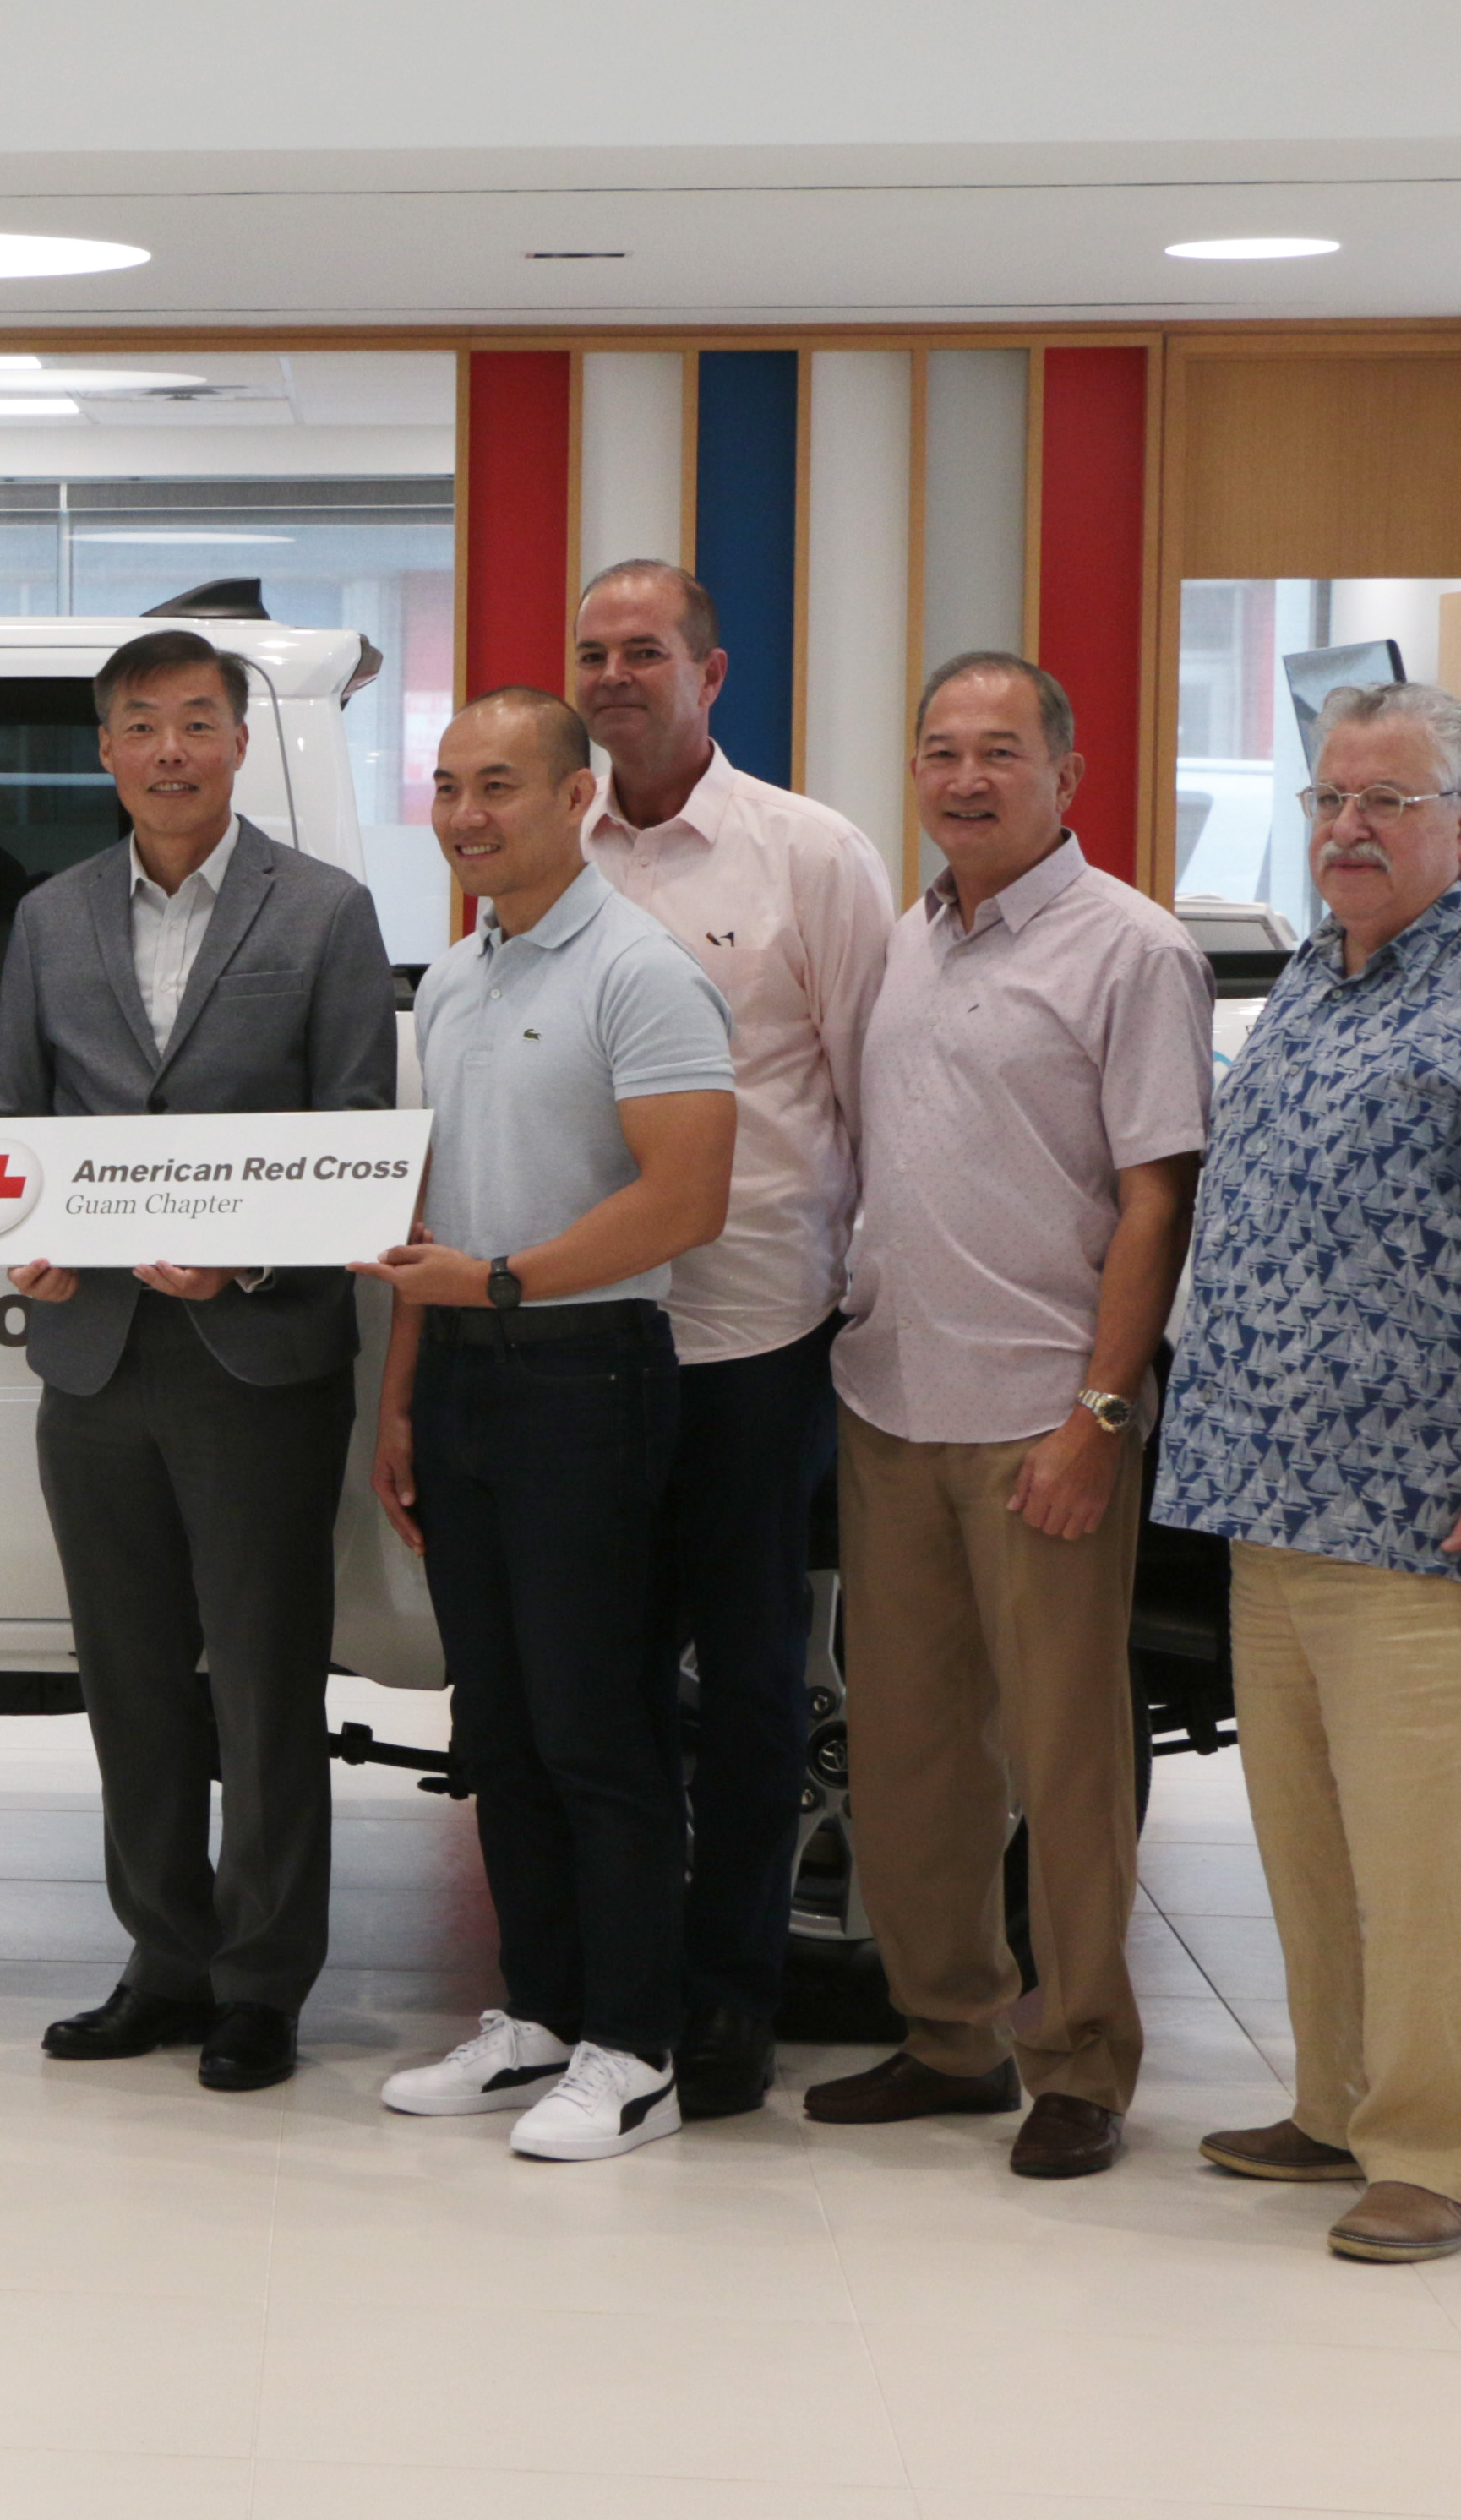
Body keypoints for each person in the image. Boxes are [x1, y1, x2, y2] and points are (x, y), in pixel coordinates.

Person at [1152, 682, 1461, 2263]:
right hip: (1282, 1503)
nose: (1348, 829)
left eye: (1388, 801)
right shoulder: (1318, 974)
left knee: (1455, 1851)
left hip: (1454, 1521)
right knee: (1313, 1840)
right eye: (1327, 800)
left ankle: (1443, 2151)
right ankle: (1340, 2101)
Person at [0, 627, 401, 2096]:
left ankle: (261, 1981)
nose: (169, 750)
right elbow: (10, 1122)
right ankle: (162, 1956)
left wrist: (250, 1257)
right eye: (141, 725)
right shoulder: (50, 918)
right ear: (104, 751)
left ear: (238, 742)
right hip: (91, 1352)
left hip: (253, 1353)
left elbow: (351, 1137)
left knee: (265, 1683)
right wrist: (22, 1239)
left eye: (196, 723)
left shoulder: (326, 913)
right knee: (131, 1679)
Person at [805, 656, 1207, 2177]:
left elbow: (1156, 1195)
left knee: (1066, 1759)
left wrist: (1102, 1411)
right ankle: (946, 2034)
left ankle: (1082, 2060)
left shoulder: (1129, 951)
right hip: (889, 1401)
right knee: (911, 1755)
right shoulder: (904, 942)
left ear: (1067, 775)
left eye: (997, 754)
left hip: (1045, 1417)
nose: (963, 780)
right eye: (936, 753)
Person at [368, 684, 736, 2162]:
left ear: (576, 797)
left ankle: (633, 2046)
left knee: (601, 1725)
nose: (467, 814)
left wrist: (502, 1283)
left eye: (499, 785)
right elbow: (425, 1220)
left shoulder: (643, 974)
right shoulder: (451, 980)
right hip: (463, 1376)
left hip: (589, 1375)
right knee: (496, 1724)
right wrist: (398, 1398)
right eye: (448, 787)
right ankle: (534, 2015)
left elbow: (683, 1199)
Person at [570, 558, 891, 2118]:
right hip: (577, 1330)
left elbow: (875, 1093)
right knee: (606, 1681)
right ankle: (605, 1991)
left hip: (754, 1329)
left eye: (644, 651)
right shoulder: (540, 842)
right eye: (591, 652)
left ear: (712, 672)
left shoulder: (807, 855)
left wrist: (862, 1297)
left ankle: (732, 1998)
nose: (614, 675)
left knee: (757, 1687)